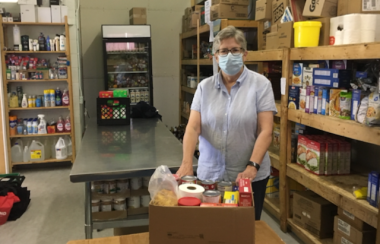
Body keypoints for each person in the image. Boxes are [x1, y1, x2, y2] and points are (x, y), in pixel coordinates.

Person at [176, 26, 277, 220]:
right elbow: (193, 127)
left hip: (248, 177)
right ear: (215, 56)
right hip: (210, 176)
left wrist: (252, 166)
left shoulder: (261, 84)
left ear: (245, 54)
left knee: (244, 228)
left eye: (235, 50)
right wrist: (187, 163)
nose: (229, 55)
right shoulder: (204, 87)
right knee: (210, 228)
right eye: (223, 51)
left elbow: (266, 130)